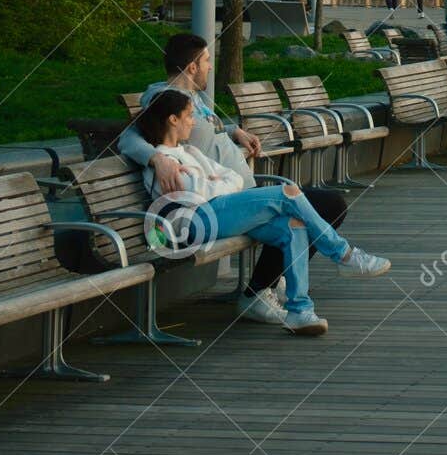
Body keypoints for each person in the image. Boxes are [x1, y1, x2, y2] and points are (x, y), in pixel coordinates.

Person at [117, 32, 353, 327]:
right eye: (206, 61)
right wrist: (157, 158)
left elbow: (205, 129)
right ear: (191, 67)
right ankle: (327, 262)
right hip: (218, 205)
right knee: (314, 203)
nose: (210, 67)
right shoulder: (161, 98)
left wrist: (232, 131)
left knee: (315, 212)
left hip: (238, 196)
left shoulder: (194, 99)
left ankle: (267, 287)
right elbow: (128, 137)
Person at [135, 88, 390, 336]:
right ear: (173, 119)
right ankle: (344, 254)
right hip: (195, 221)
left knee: (292, 225)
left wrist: (213, 181)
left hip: (219, 209)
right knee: (287, 192)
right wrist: (214, 182)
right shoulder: (160, 161)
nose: (193, 122)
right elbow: (200, 194)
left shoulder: (189, 152)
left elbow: (232, 178)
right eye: (190, 115)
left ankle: (299, 312)